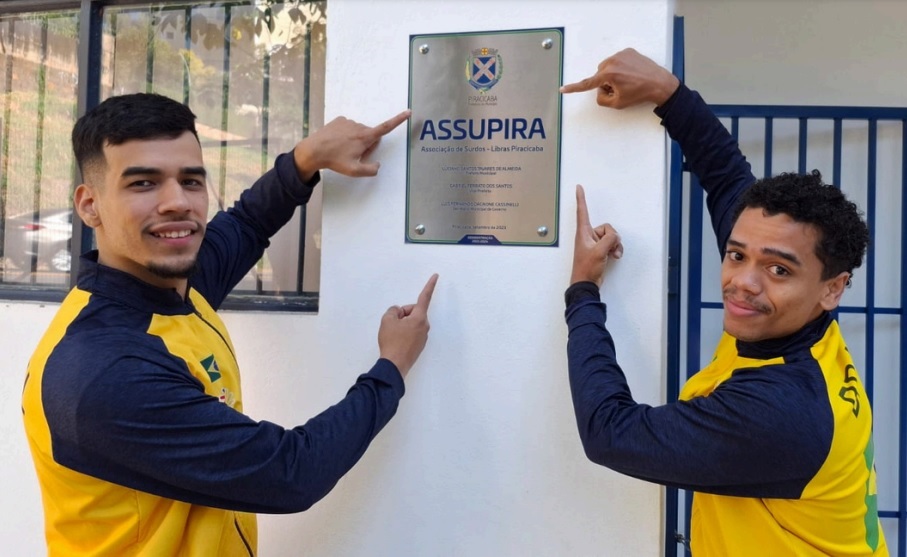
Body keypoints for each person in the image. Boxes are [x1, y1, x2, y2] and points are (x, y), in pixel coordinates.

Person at [22, 93, 438, 556]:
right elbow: (290, 473)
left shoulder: (177, 287)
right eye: (143, 183)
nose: (177, 202)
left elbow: (247, 223)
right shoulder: (104, 371)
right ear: (90, 205)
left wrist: (306, 159)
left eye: (191, 181)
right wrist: (391, 367)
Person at [560, 49, 887, 556]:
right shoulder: (802, 330)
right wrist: (667, 92)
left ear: (832, 288)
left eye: (779, 270)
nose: (743, 283)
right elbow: (726, 178)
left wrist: (583, 291)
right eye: (736, 255)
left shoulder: (780, 410)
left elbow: (610, 432)